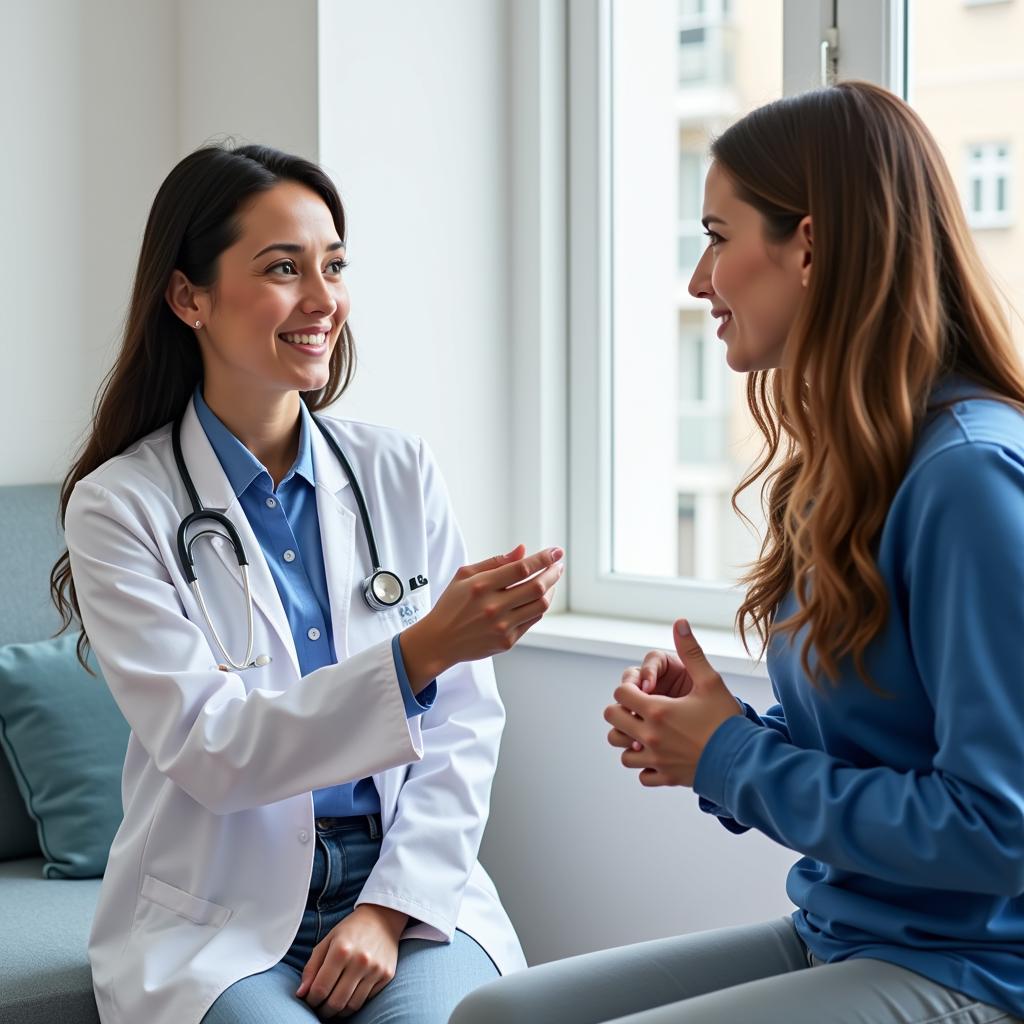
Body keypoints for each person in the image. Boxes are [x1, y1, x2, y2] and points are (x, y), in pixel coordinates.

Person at [450, 80, 1024, 1024]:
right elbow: (884, 753)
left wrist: (730, 760)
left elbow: (997, 831)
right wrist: (720, 733)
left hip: (976, 967)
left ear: (811, 244)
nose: (698, 280)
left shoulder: (969, 478)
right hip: (848, 930)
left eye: (718, 236)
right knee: (495, 1017)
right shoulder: (853, 464)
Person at [51, 142, 564, 1024]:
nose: (324, 301)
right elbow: (214, 750)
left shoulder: (399, 470)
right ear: (189, 297)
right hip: (219, 913)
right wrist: (420, 651)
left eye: (333, 265)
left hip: (401, 891)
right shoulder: (118, 507)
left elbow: (466, 725)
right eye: (284, 268)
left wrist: (387, 909)